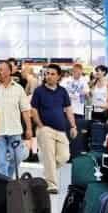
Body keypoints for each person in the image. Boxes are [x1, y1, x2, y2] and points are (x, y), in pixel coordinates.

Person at [30, 64, 78, 193]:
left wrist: (73, 126)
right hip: (45, 129)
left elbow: (68, 109)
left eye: (52, 74)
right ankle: (52, 185)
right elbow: (34, 110)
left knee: (64, 156)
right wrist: (40, 125)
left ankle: (48, 172)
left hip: (61, 130)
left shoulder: (62, 91)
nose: (49, 76)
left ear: (58, 76)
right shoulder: (39, 91)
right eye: (47, 74)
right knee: (49, 156)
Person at [0, 61, 32, 178]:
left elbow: (25, 110)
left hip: (15, 131)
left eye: (1, 69)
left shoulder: (18, 89)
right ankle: (3, 183)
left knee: (17, 157)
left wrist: (29, 128)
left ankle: (8, 178)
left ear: (9, 71)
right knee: (1, 161)